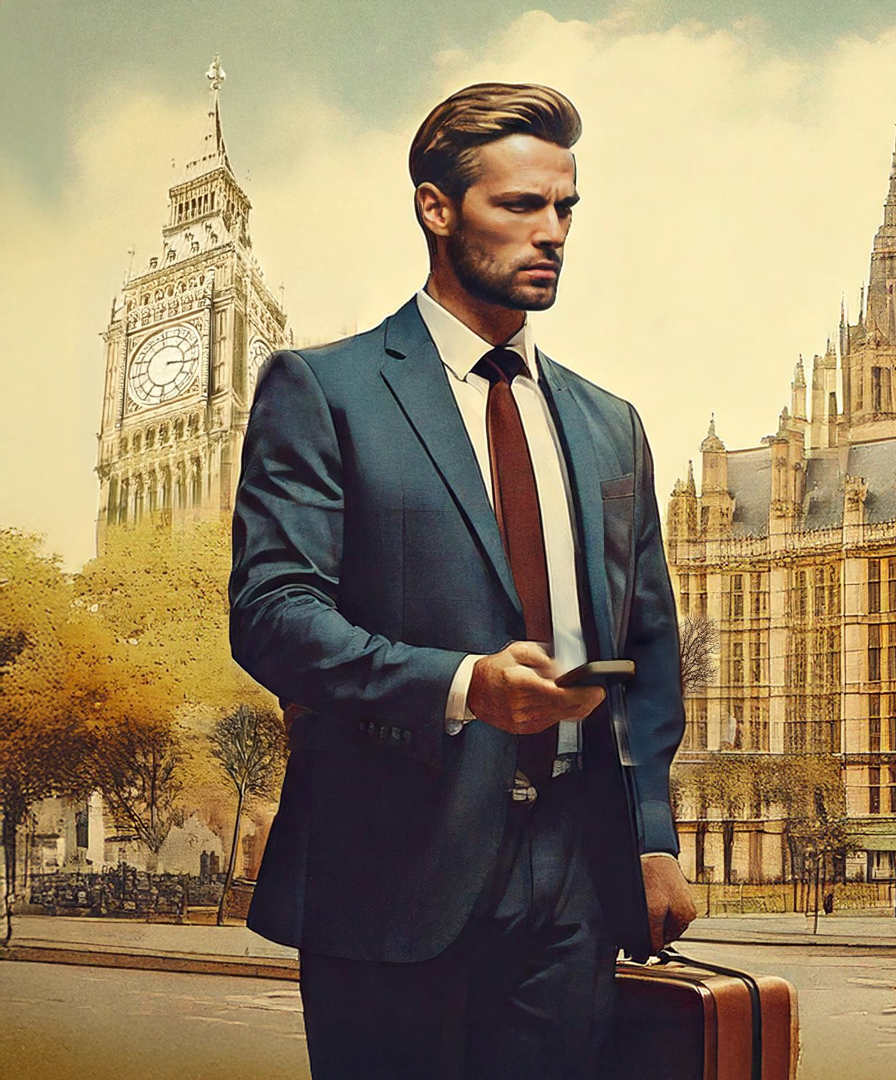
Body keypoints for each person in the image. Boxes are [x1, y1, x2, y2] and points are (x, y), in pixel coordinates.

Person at [229, 82, 696, 1079]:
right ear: (436, 209)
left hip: (573, 879)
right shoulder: (326, 391)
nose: (554, 232)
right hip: (393, 873)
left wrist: (650, 834)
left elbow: (642, 646)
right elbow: (274, 617)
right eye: (520, 206)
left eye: (565, 207)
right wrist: (463, 684)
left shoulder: (611, 423)